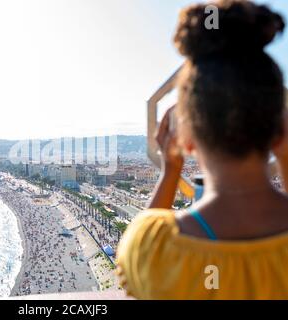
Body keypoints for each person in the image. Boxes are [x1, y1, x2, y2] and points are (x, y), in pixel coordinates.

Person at [116, 0, 288, 299]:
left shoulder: (155, 249)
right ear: (279, 129)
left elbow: (136, 271)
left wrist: (170, 171)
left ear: (186, 138)